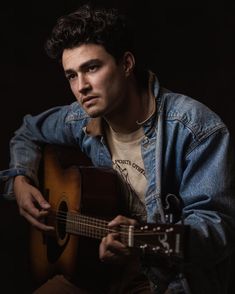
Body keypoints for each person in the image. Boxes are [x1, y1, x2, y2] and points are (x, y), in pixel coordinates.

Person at [1, 3, 235, 294]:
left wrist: (141, 240)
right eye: (71, 75)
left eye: (92, 68)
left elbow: (218, 232)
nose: (81, 86)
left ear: (126, 64)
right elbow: (27, 132)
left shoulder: (194, 127)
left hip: (167, 281)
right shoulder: (80, 119)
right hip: (96, 271)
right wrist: (20, 179)